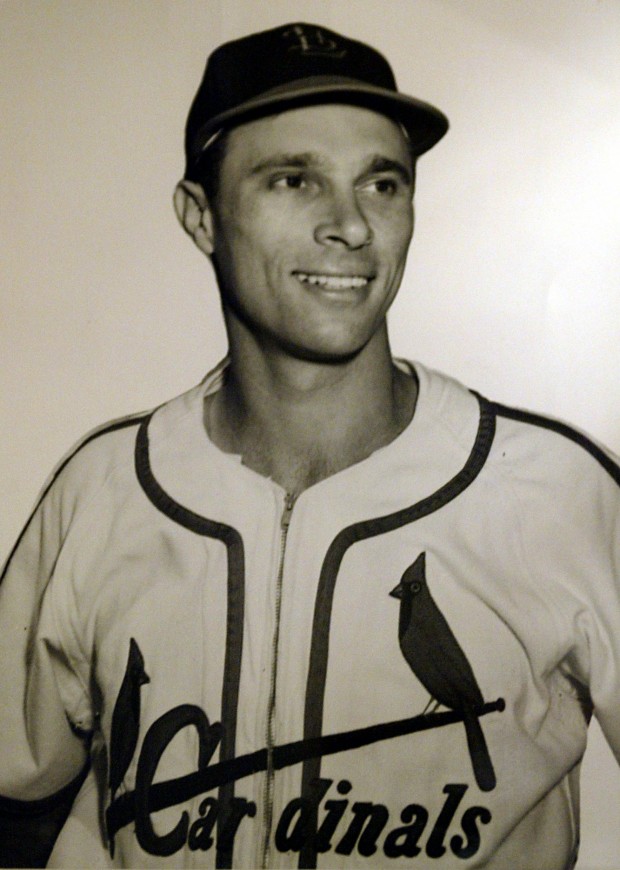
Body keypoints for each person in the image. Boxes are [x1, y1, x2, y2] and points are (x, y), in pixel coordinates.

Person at [1, 20, 619, 870]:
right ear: (200, 216)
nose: (352, 225)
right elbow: (15, 800)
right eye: (294, 180)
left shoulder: (555, 492)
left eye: (382, 183)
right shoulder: (103, 491)